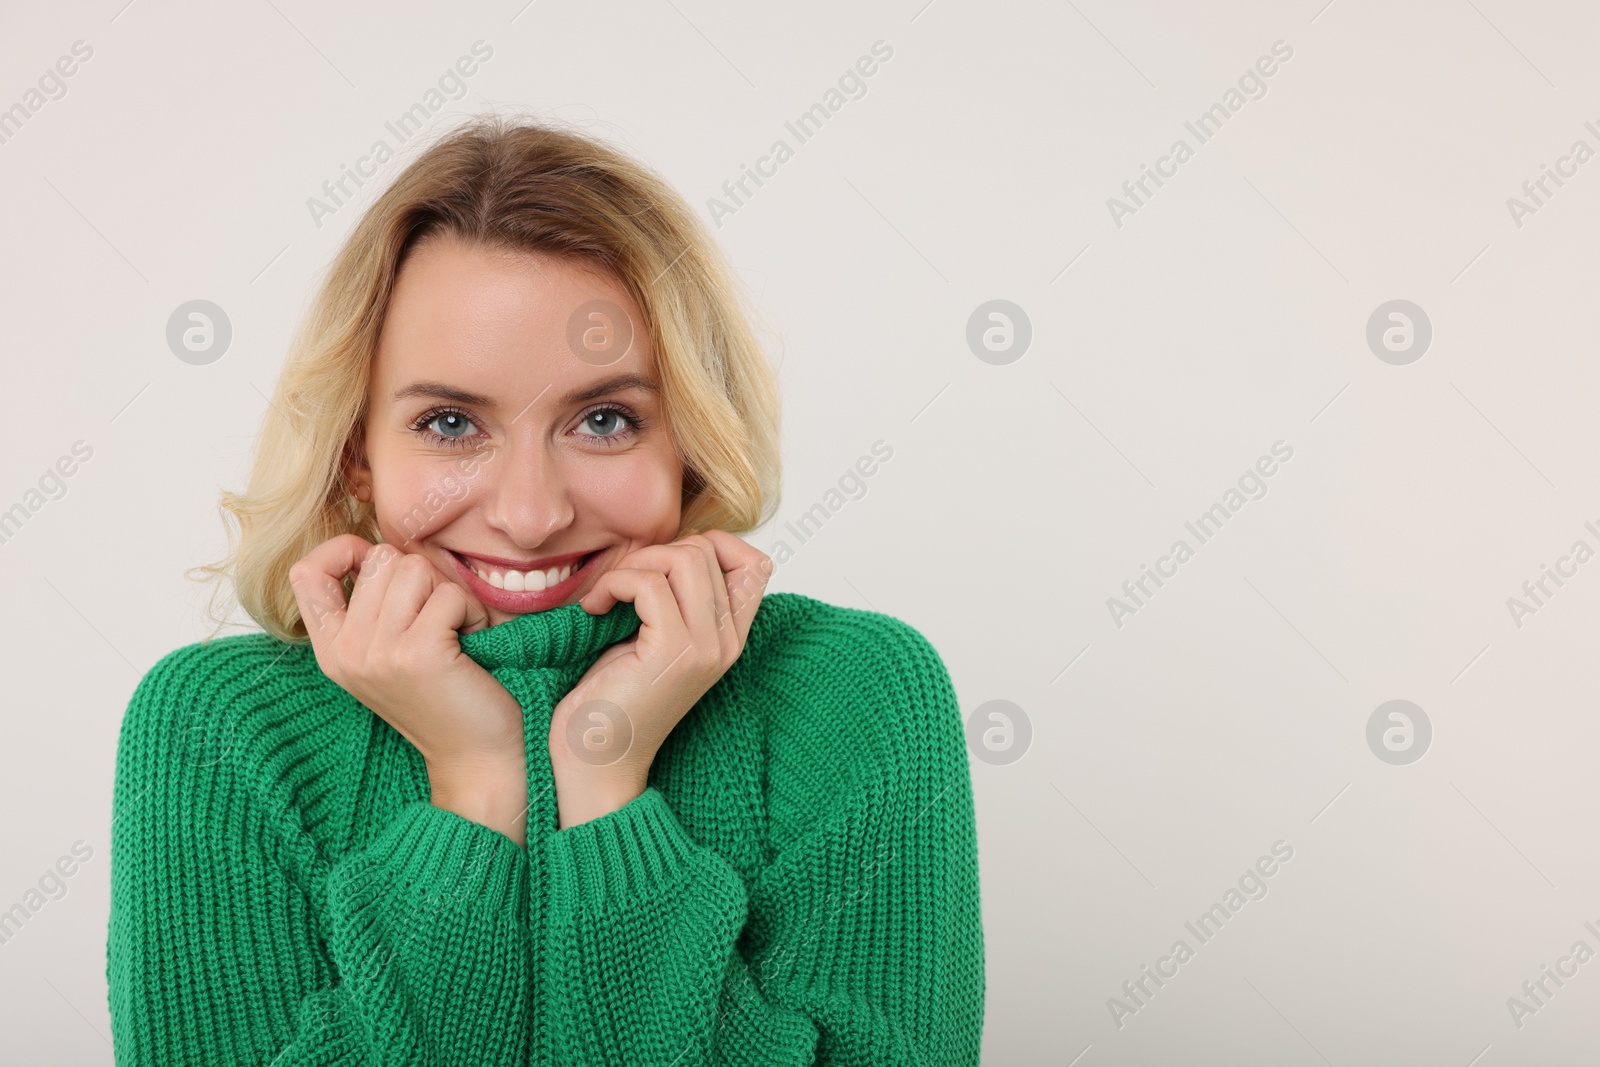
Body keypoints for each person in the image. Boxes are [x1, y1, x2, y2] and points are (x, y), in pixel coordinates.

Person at [106, 114, 985, 1065]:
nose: (530, 515)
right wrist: (478, 787)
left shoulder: (855, 697)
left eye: (604, 419)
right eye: (449, 423)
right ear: (357, 453)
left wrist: (605, 785)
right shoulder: (218, 729)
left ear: (689, 438)